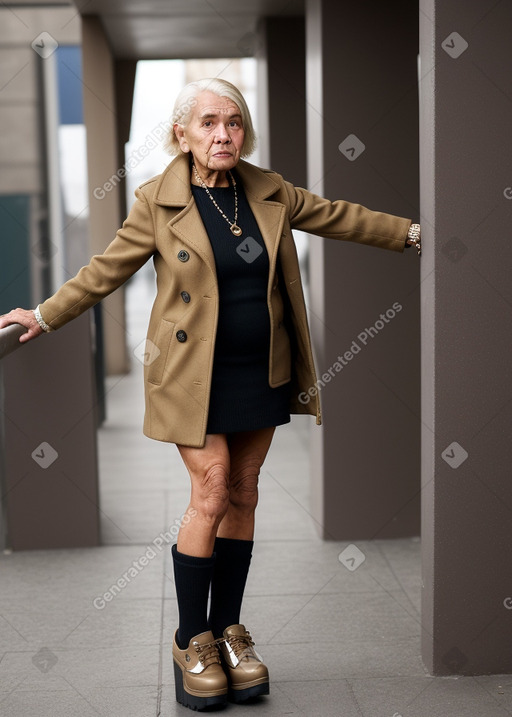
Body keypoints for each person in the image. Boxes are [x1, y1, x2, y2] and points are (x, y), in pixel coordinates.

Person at [0, 78, 421, 711]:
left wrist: (416, 233)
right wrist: (44, 313)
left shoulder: (268, 190)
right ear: (182, 133)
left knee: (245, 490)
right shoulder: (157, 202)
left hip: (262, 370)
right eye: (208, 124)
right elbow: (105, 271)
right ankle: (189, 639)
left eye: (233, 123)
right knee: (213, 484)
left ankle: (230, 633)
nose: (223, 134)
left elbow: (339, 215)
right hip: (191, 377)